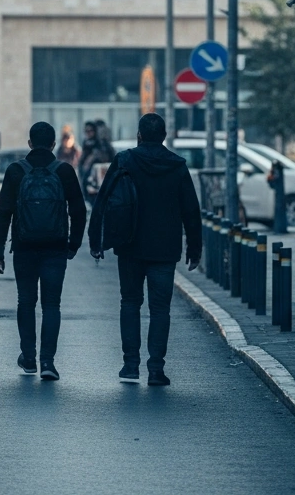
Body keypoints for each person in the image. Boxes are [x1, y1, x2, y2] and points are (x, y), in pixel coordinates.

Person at [89, 113, 200, 387]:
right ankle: (156, 369)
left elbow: (102, 200)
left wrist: (96, 239)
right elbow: (191, 210)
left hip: (129, 244)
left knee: (130, 302)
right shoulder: (177, 165)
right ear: (164, 136)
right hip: (165, 248)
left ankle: (130, 365)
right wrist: (195, 248)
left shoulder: (125, 160)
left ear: (139, 135)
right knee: (160, 308)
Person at [0, 121, 87, 381]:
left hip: (24, 246)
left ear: (30, 143)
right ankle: (48, 362)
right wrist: (74, 243)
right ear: (54, 144)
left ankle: (29, 358)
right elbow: (78, 210)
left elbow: (4, 213)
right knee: (51, 304)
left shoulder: (15, 171)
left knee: (26, 301)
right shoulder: (64, 171)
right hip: (56, 247)